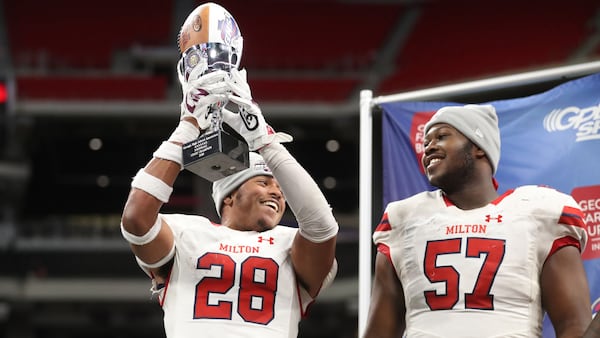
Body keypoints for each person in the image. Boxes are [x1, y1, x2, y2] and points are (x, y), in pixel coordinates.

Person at [120, 3, 338, 338]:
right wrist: (188, 125)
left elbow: (323, 227)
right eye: (265, 182)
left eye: (278, 186)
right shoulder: (186, 232)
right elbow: (136, 221)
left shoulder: (290, 243)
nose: (278, 192)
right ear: (230, 194)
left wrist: (265, 140)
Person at [363, 104, 591, 337]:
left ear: (479, 148)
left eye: (441, 136)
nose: (429, 147)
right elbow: (380, 331)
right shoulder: (404, 217)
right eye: (426, 142)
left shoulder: (539, 212)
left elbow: (572, 323)